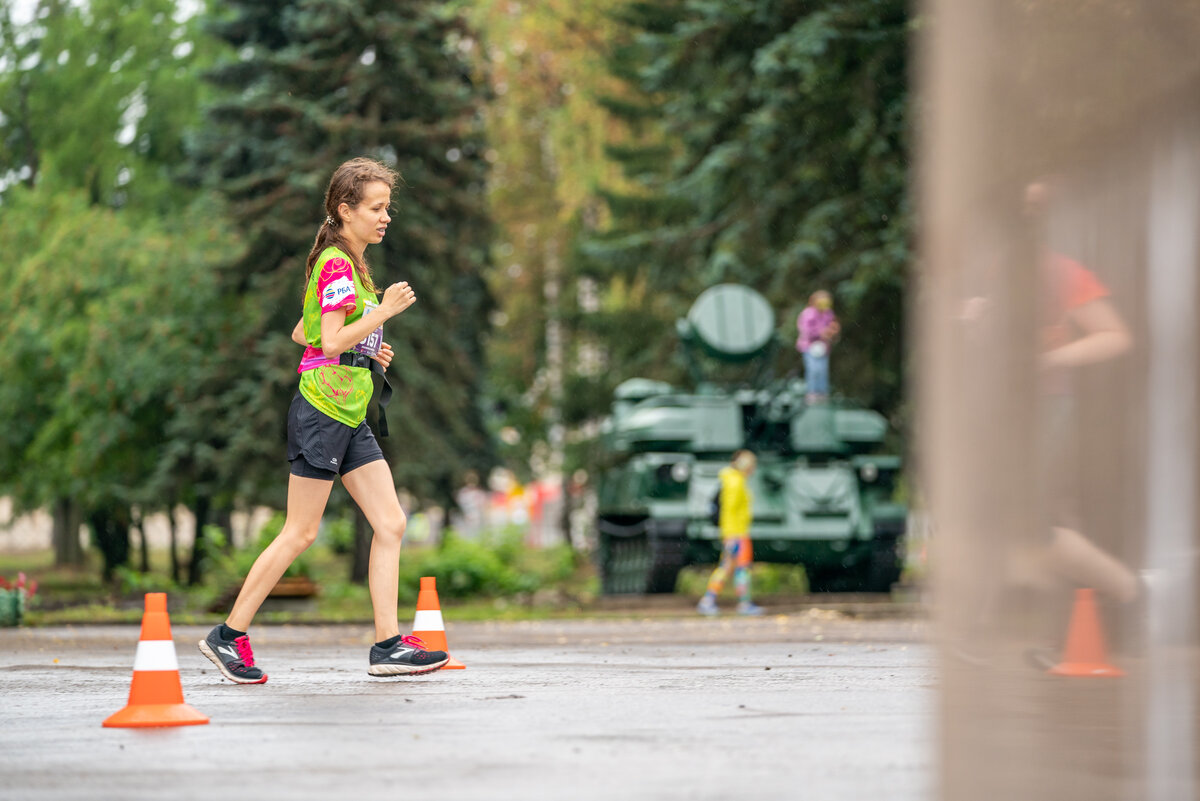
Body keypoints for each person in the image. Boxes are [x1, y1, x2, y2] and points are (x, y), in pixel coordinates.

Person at [198, 157, 449, 683]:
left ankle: (387, 646)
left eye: (387, 208)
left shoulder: (347, 266)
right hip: (322, 413)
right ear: (345, 210)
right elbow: (329, 339)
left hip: (349, 412)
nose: (385, 218)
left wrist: (367, 351)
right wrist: (380, 314)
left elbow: (304, 333)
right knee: (301, 531)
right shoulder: (337, 264)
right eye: (376, 208)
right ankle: (227, 635)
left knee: (391, 522)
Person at [697, 450, 764, 616]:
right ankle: (742, 603)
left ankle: (709, 600)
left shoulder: (732, 480)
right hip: (737, 534)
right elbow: (731, 510)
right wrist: (733, 535)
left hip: (733, 533)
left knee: (728, 567)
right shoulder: (736, 482)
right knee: (739, 568)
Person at [796, 291, 840, 403]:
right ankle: (812, 393)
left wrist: (832, 332)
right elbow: (805, 330)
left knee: (822, 370)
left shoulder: (828, 313)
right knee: (813, 370)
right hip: (809, 346)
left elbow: (833, 327)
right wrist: (821, 333)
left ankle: (822, 394)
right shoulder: (807, 314)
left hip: (823, 348)